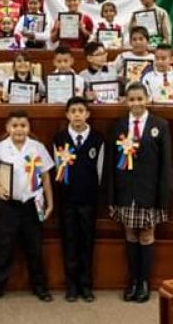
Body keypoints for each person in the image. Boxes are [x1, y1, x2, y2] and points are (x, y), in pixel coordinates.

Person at [0, 110, 55, 304]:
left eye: (23, 125)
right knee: (4, 248)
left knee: (35, 248)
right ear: (7, 128)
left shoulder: (37, 147)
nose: (19, 129)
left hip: (32, 204)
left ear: (29, 128)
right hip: (9, 205)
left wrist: (50, 203)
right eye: (14, 126)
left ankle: (40, 287)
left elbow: (46, 176)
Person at [110, 82, 173, 303]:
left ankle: (144, 281)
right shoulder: (119, 125)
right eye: (132, 99)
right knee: (130, 235)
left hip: (149, 192)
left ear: (147, 99)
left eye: (140, 99)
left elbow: (166, 165)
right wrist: (112, 196)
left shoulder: (160, 125)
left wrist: (164, 195)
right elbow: (112, 163)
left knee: (146, 235)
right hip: (126, 191)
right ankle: (133, 281)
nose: (136, 103)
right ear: (126, 101)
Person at [53, 97, 104, 302]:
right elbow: (57, 171)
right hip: (67, 201)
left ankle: (86, 285)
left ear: (88, 114)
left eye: (81, 111)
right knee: (70, 243)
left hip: (89, 201)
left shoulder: (98, 139)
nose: (77, 115)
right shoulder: (59, 139)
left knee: (87, 243)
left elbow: (100, 172)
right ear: (67, 115)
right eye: (73, 111)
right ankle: (72, 286)